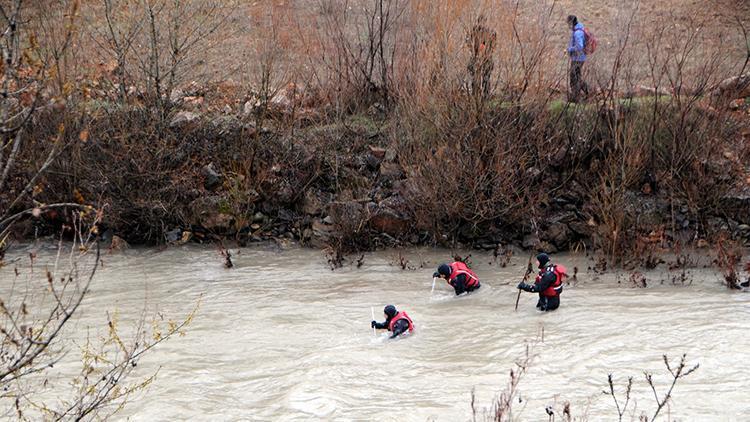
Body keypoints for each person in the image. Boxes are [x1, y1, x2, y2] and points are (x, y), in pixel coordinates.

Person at [566, 15, 589, 102]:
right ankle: (586, 92)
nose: (568, 25)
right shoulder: (579, 30)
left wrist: (569, 49)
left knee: (573, 78)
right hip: (580, 58)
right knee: (577, 77)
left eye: (568, 23)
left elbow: (579, 46)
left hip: (577, 59)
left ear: (571, 22)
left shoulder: (577, 33)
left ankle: (576, 97)